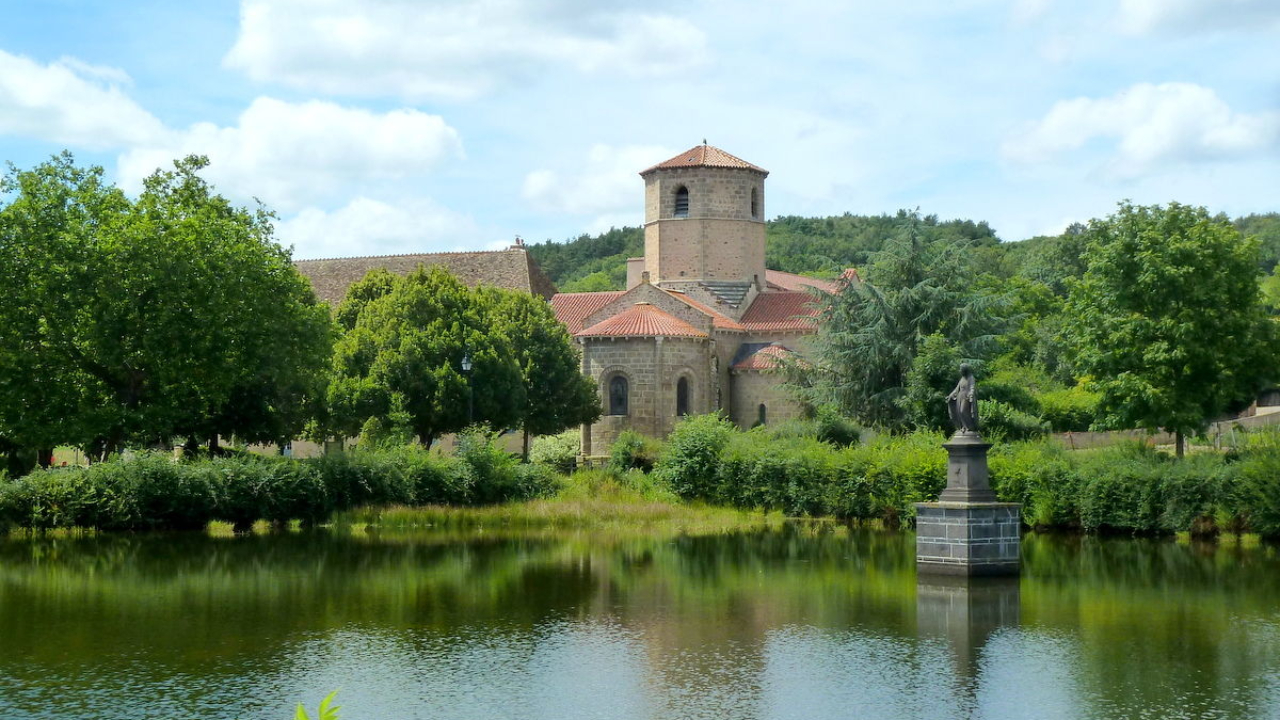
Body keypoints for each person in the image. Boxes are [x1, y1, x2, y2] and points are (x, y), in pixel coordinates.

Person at [947, 363, 978, 433]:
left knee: (963, 411)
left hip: (966, 397)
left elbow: (972, 386)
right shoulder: (962, 379)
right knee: (959, 412)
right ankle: (964, 426)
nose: (960, 371)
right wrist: (951, 395)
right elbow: (957, 389)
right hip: (960, 397)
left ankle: (970, 426)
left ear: (965, 370)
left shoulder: (971, 377)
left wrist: (971, 393)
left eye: (961, 369)